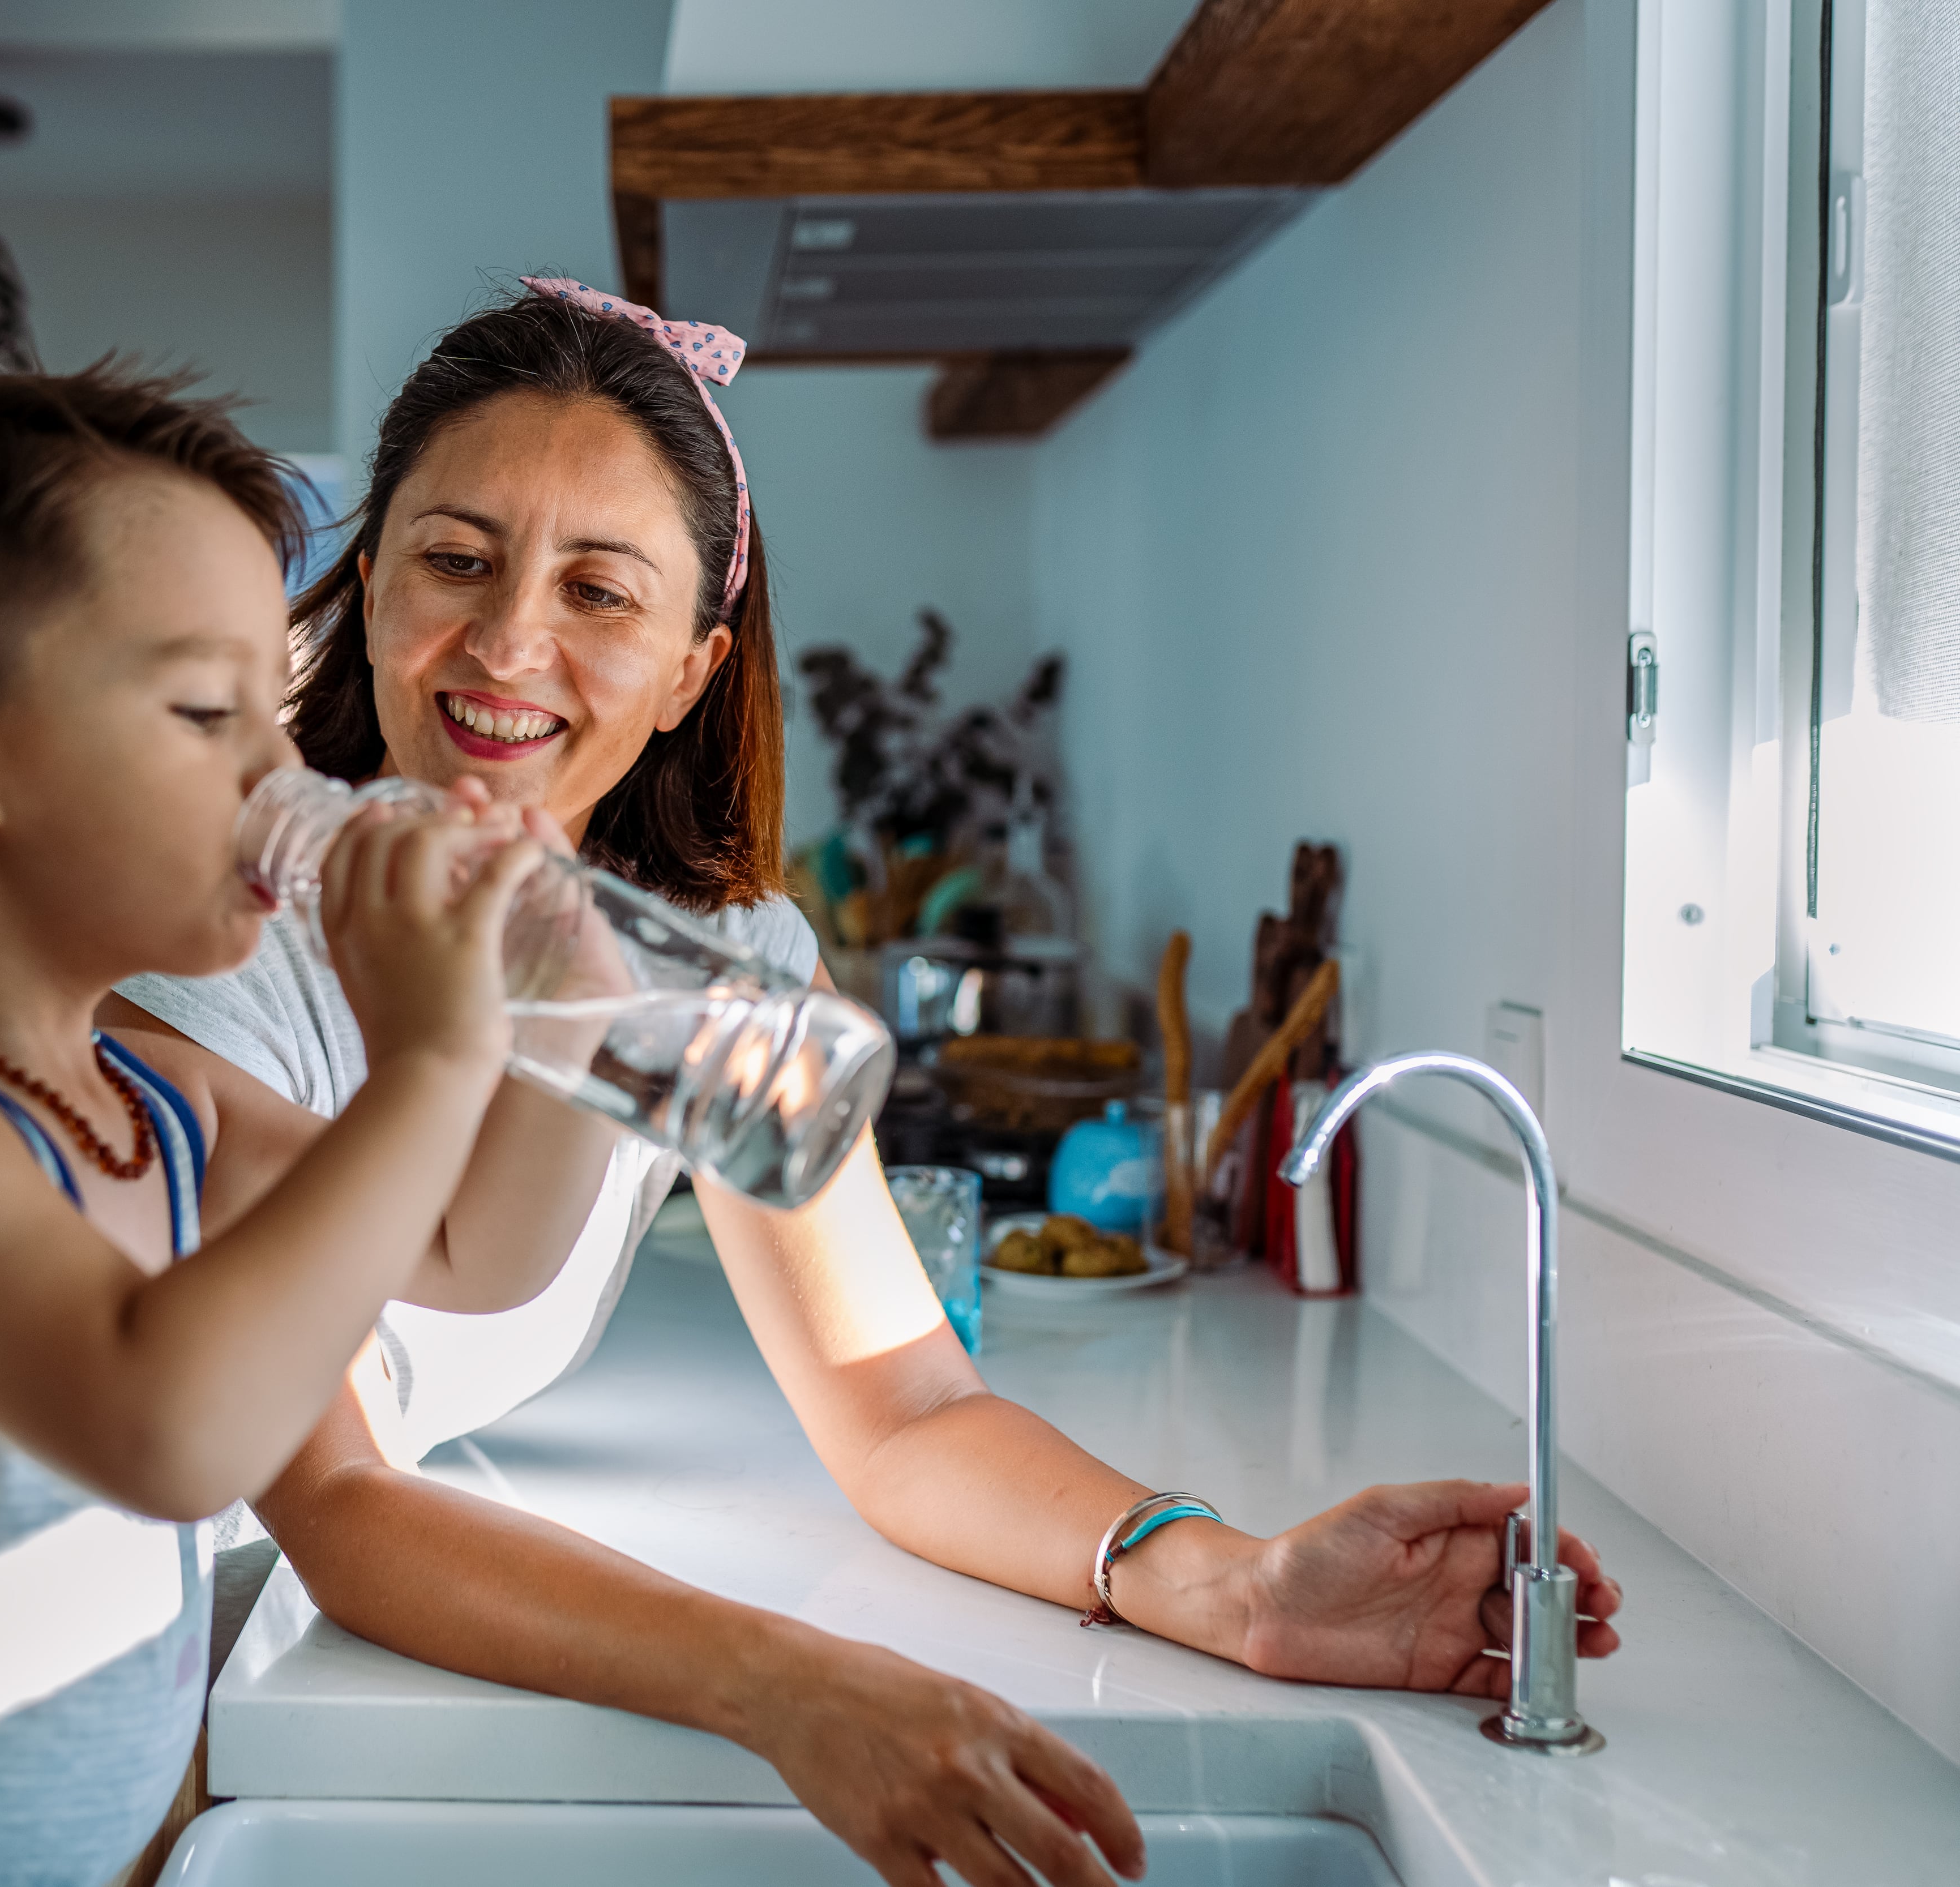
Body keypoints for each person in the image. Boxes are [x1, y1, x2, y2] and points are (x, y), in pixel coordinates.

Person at [110, 281, 1624, 1887]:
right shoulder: (218, 951)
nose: (507, 643)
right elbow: (337, 1503)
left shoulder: (716, 957)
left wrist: (1234, 1586)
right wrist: (789, 1684)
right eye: (457, 559)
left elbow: (903, 1407)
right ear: (366, 582)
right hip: (114, 1693)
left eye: (600, 591)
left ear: (696, 670)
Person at [0, 364, 650, 1886]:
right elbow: (174, 1433)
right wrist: (429, 1060)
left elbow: (479, 1252)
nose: (285, 772)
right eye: (211, 711)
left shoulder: (159, 1102)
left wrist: (567, 1026)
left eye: (274, 709)